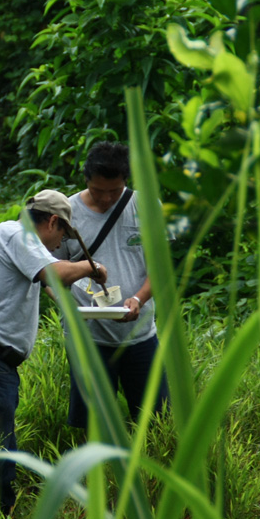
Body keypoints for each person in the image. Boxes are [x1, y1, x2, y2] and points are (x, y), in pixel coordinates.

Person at [0, 189, 107, 519]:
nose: (58, 244)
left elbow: (58, 292)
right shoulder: (13, 233)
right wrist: (92, 268)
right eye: (62, 235)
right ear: (52, 222)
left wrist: (106, 308)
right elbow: (57, 275)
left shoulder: (11, 243)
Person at [54, 141, 170, 431]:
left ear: (126, 182)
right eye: (97, 191)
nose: (106, 200)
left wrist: (139, 299)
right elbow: (49, 274)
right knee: (90, 424)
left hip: (140, 333)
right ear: (86, 180)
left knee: (155, 419)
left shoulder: (146, 206)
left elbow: (161, 268)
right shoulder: (66, 212)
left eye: (114, 192)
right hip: (87, 339)